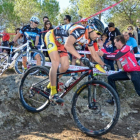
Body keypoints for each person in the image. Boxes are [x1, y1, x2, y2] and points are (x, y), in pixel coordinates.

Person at [45, 18, 109, 104]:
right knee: (55, 62)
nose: (98, 36)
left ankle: (50, 85)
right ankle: (52, 94)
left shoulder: (89, 39)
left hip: (61, 43)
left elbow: (94, 54)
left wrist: (103, 64)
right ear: (90, 29)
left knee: (65, 67)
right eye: (97, 33)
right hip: (52, 36)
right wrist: (80, 58)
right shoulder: (80, 30)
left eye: (100, 34)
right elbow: (68, 45)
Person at [97, 35, 140, 104]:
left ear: (119, 42)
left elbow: (116, 57)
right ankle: (115, 99)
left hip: (136, 72)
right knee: (111, 78)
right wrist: (101, 47)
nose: (114, 44)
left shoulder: (127, 47)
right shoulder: (119, 50)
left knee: (139, 91)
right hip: (127, 72)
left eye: (115, 42)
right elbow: (109, 54)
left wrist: (103, 55)